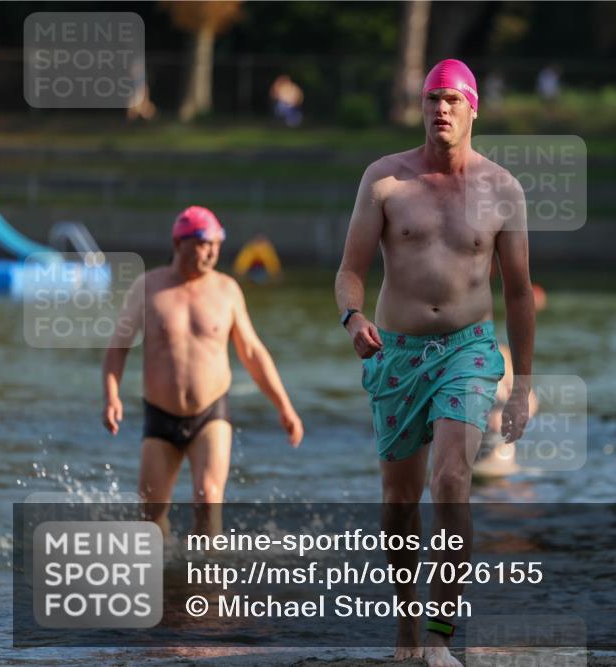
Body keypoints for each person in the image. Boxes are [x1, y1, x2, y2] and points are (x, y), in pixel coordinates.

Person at [334, 58, 535, 667]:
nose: (440, 110)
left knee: (452, 479)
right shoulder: (385, 181)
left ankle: (443, 638)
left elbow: (520, 292)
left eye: (451, 99)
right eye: (431, 100)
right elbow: (350, 272)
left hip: (469, 350)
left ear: (473, 108)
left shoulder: (502, 190)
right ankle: (406, 632)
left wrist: (522, 384)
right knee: (399, 501)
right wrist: (353, 317)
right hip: (395, 353)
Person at [102, 206, 303, 537]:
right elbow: (117, 348)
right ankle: (166, 580)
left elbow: (252, 352)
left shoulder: (227, 290)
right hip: (160, 414)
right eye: (203, 243)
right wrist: (111, 397)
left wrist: (285, 407)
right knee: (150, 515)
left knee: (208, 500)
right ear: (179, 243)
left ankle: (209, 582)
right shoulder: (147, 287)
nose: (212, 252)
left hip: (210, 412)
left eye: (216, 244)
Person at [472, 344, 539, 478]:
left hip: (498, 441)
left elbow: (531, 401)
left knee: (500, 464)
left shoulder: (503, 360)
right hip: (472, 438)